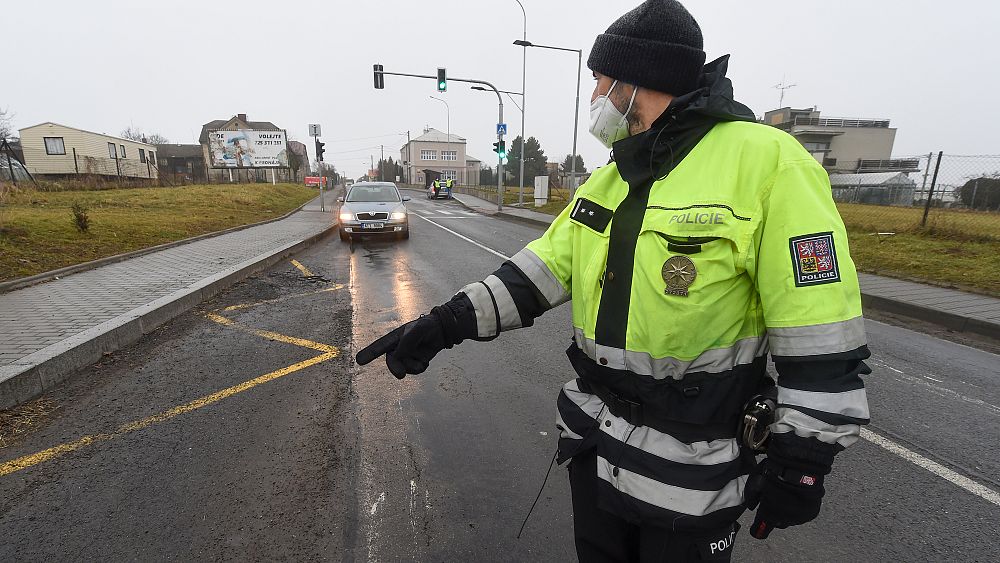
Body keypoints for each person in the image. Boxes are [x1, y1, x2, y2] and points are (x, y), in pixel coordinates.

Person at [358, 1, 871, 560]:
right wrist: (440, 326)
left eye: (601, 79)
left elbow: (821, 334)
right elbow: (536, 275)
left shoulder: (771, 164)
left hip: (691, 478)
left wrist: (802, 463)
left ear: (635, 81)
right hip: (598, 452)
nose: (596, 93)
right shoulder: (611, 179)